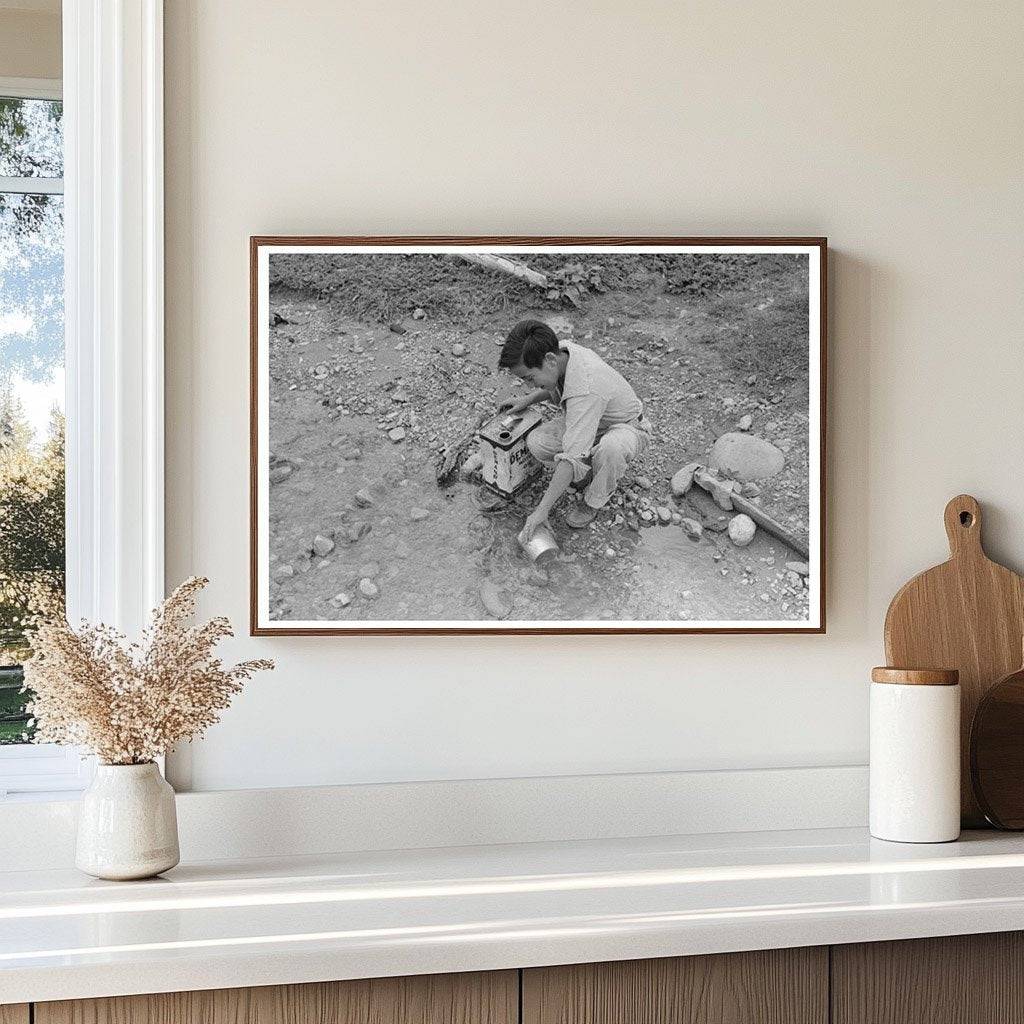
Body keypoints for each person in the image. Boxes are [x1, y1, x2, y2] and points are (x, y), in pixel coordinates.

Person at [497, 319, 650, 541]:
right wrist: (527, 399)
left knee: (611, 449)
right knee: (538, 442)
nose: (530, 384)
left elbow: (570, 458)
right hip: (593, 419)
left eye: (530, 378)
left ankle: (593, 500)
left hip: (627, 427)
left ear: (550, 359)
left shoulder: (586, 387)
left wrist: (541, 511)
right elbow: (552, 384)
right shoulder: (561, 352)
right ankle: (587, 470)